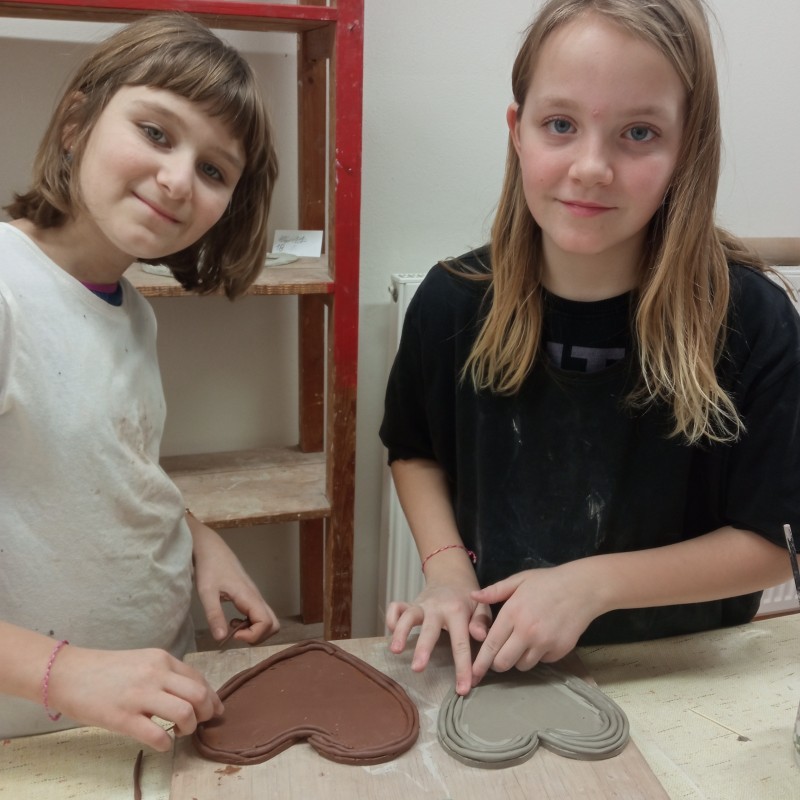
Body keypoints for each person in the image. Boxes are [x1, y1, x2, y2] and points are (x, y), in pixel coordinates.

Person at [381, 0, 800, 698]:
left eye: (639, 132)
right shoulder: (450, 302)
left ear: (687, 147)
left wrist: (591, 586)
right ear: (517, 132)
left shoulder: (754, 320)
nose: (592, 167)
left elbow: (775, 543)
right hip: (504, 671)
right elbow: (413, 449)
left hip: (688, 676)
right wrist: (447, 568)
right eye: (560, 125)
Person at [0, 13, 281, 750]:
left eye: (214, 170)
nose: (178, 180)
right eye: (156, 133)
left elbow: (98, 465)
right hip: (40, 734)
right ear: (76, 123)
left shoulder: (129, 308)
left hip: (146, 710)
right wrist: (65, 673)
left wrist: (195, 536)